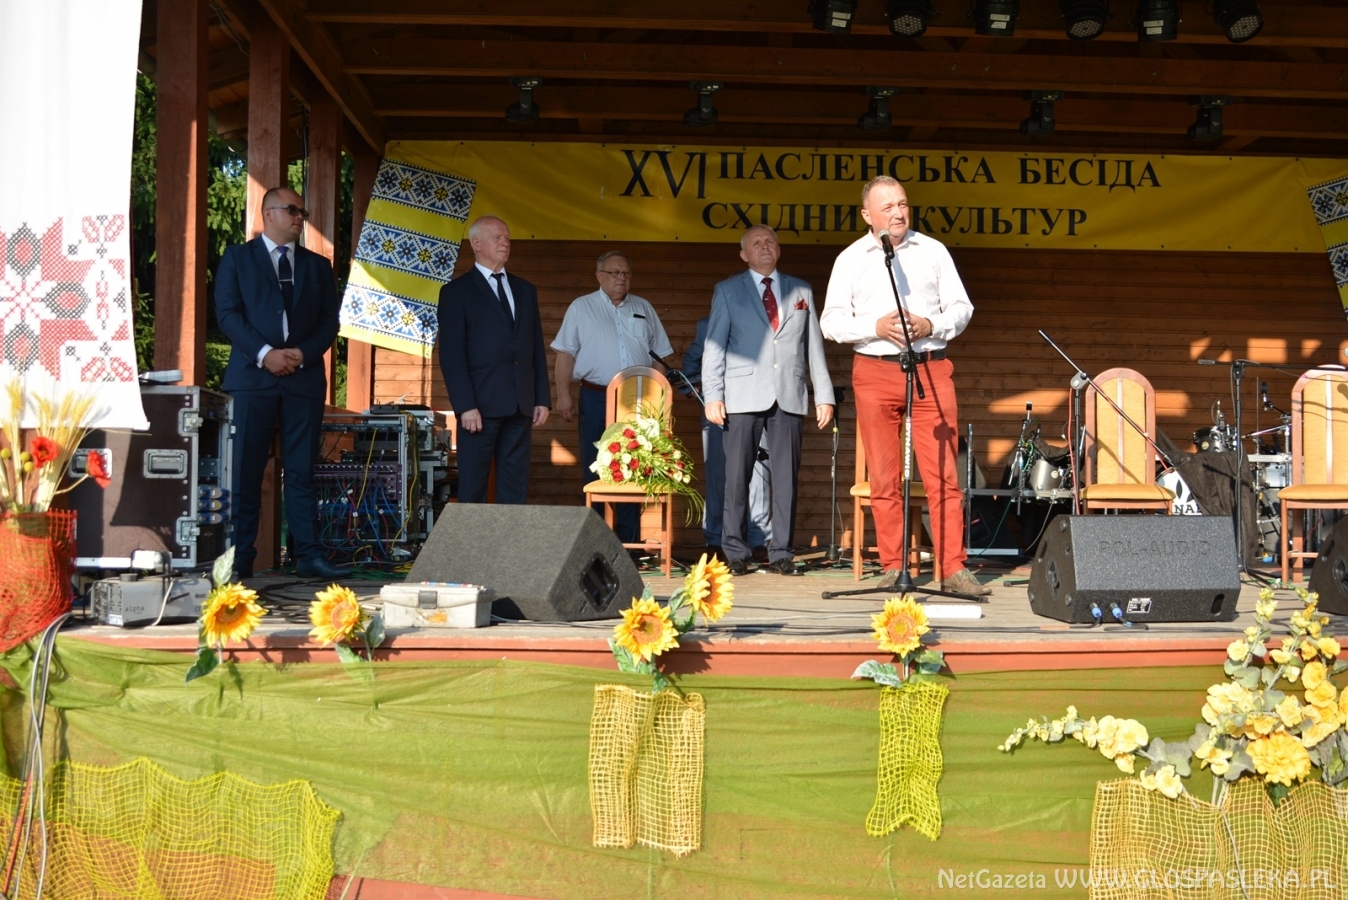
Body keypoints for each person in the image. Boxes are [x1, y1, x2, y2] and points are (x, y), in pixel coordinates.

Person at [819, 175, 991, 596]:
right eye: (888, 208)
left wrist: (931, 324)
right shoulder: (850, 259)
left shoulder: (933, 251)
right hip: (874, 370)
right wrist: (873, 326)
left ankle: (952, 568)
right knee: (884, 477)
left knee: (943, 475)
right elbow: (830, 322)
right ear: (867, 215)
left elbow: (962, 308)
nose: (898, 213)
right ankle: (893, 565)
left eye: (903, 204)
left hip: (930, 367)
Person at [215, 186, 342, 579]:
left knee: (302, 471)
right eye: (292, 210)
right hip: (252, 380)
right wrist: (265, 353)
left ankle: (308, 556)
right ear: (268, 213)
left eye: (303, 212)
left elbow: (329, 322)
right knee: (244, 472)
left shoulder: (318, 266)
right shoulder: (238, 258)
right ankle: (239, 559)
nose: (300, 217)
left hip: (303, 379)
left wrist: (302, 353)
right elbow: (228, 314)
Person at [703, 225, 835, 576]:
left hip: (789, 394)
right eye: (756, 243)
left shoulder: (801, 289)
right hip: (741, 396)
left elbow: (814, 346)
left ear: (779, 249)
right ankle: (735, 550)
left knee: (786, 478)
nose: (764, 247)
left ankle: (781, 553)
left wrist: (824, 395)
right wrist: (713, 395)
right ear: (743, 254)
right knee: (736, 477)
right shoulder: (727, 291)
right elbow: (714, 346)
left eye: (770, 242)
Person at [552, 251, 673, 542]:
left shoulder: (643, 307)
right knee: (595, 467)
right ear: (599, 276)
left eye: (626, 273)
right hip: (595, 397)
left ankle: (629, 542)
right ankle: (596, 543)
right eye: (615, 273)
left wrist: (655, 398)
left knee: (633, 467)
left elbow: (661, 356)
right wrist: (563, 395)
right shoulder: (581, 307)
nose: (621, 278)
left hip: (636, 402)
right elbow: (565, 354)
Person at [437, 216, 550, 504]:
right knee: (473, 487)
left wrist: (541, 398)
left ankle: (510, 537)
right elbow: (451, 356)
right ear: (476, 244)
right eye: (497, 237)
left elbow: (535, 347)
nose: (505, 243)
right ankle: (473, 538)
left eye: (507, 238)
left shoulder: (525, 290)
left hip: (520, 404)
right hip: (479, 407)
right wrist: (465, 406)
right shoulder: (456, 293)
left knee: (514, 489)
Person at [682, 315, 772, 557]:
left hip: (757, 409)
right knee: (717, 478)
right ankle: (715, 539)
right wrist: (696, 389)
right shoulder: (706, 325)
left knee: (759, 478)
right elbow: (690, 363)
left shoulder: (764, 322)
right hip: (717, 414)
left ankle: (759, 539)